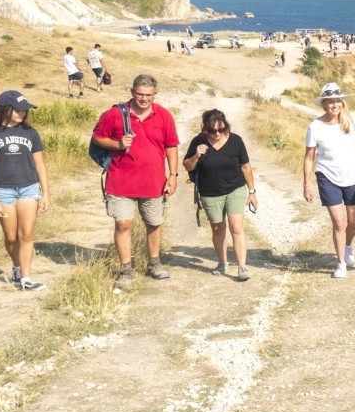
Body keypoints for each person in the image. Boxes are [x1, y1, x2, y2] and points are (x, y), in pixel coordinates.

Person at [90, 74, 181, 291]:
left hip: (154, 182)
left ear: (154, 95)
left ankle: (154, 263)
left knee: (154, 223)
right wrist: (117, 143)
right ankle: (126, 270)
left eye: (148, 95)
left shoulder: (164, 115)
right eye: (140, 94)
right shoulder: (114, 114)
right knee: (123, 224)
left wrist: (173, 175)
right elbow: (97, 137)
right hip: (120, 181)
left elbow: (171, 146)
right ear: (132, 92)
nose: (144, 99)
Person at [0, 90, 51, 290]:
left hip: (29, 188)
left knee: (26, 234)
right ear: (5, 110)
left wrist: (45, 193)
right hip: (3, 191)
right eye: (18, 110)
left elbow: (40, 166)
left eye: (25, 110)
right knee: (11, 237)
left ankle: (26, 279)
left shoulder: (31, 133)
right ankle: (17, 266)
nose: (22, 114)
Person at [302, 83, 355, 278]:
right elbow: (309, 157)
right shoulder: (315, 127)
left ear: (342, 103)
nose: (334, 105)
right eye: (330, 102)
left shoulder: (352, 119)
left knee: (354, 222)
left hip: (353, 176)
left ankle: (347, 246)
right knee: (340, 223)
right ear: (324, 105)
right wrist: (306, 184)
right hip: (327, 176)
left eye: (337, 101)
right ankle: (340, 264)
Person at [185, 109, 257, 281]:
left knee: (236, 227)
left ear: (226, 127)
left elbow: (246, 167)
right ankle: (222, 262)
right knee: (218, 229)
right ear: (205, 129)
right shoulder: (198, 141)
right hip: (210, 192)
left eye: (221, 129)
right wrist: (196, 155)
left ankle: (242, 267)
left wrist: (252, 192)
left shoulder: (235, 140)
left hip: (235, 189)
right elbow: (187, 166)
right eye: (212, 130)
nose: (217, 134)